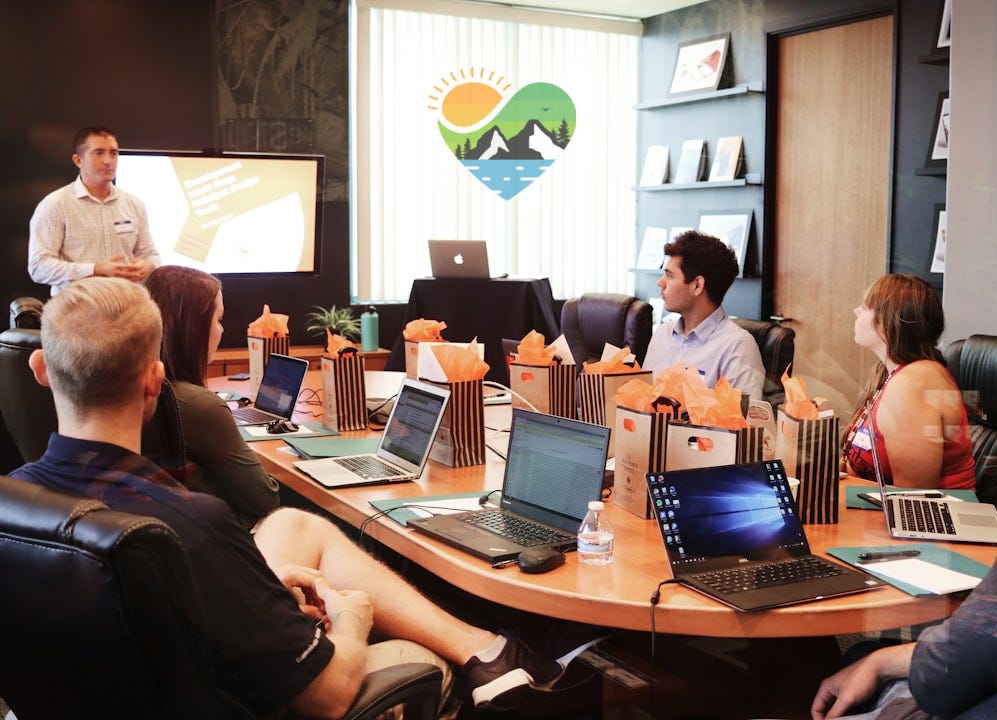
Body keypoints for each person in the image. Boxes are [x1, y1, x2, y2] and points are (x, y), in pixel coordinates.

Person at [11, 277, 579, 718]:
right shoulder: (191, 524)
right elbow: (328, 696)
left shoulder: (15, 502)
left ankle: (486, 646)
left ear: (40, 369)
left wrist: (254, 590)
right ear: (155, 380)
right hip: (253, 702)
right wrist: (352, 618)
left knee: (293, 524)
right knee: (419, 660)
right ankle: (491, 657)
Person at [811, 481, 997, 720]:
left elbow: (940, 685)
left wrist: (879, 664)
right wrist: (878, 662)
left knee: (847, 669)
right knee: (861, 655)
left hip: (985, 703)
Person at [143, 265, 279, 529]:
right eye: (218, 319)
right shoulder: (200, 406)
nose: (222, 330)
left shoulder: (132, 388)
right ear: (193, 327)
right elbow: (265, 499)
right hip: (218, 536)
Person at [842, 274, 975, 490]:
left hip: (931, 510)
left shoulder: (913, 384)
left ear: (888, 323)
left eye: (866, 308)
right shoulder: (892, 373)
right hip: (881, 503)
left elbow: (913, 497)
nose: (856, 311)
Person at [27, 126, 159, 295]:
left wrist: (148, 265)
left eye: (113, 153)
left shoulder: (134, 204)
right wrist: (95, 269)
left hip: (127, 304)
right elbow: (38, 267)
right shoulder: (55, 205)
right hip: (78, 306)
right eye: (99, 153)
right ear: (78, 160)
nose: (108, 161)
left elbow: (151, 255)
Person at [642, 230, 765, 400]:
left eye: (669, 276)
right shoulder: (662, 335)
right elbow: (641, 402)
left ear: (697, 285)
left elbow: (743, 416)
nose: (660, 282)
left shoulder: (737, 346)